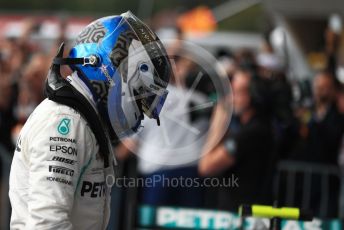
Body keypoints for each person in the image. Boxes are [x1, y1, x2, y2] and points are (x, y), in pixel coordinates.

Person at [8, 11, 172, 230]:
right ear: (109, 67)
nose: (141, 112)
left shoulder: (83, 120)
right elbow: (47, 224)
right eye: (138, 95)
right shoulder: (65, 124)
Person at [199, 68, 273, 211]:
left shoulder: (252, 133)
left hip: (244, 215)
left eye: (238, 92)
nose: (231, 98)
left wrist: (217, 124)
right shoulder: (257, 127)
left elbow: (206, 166)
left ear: (254, 96)